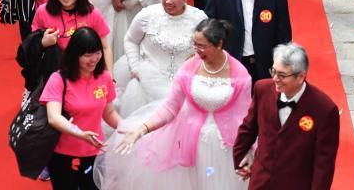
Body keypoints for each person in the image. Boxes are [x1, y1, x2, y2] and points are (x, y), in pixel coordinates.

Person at [95, 18, 252, 190]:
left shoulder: (240, 74)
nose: (197, 51)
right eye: (195, 44)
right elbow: (171, 107)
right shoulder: (188, 68)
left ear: (219, 44)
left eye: (203, 46)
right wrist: (142, 130)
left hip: (224, 146)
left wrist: (249, 150)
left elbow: (245, 117)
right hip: (187, 139)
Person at [233, 43, 340, 190]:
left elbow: (324, 163)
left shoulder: (324, 109)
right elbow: (248, 128)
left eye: (282, 75)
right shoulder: (262, 89)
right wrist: (240, 159)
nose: (275, 78)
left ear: (301, 76)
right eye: (274, 71)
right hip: (260, 182)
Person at [41, 27, 122, 190]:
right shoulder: (58, 79)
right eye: (87, 55)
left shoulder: (105, 77)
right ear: (74, 55)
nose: (94, 59)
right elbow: (53, 117)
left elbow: (109, 113)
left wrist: (130, 128)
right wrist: (80, 133)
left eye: (97, 52)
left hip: (95, 153)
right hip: (63, 155)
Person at [113, 0, 206, 115]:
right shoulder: (147, 15)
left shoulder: (199, 18)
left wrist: (197, 60)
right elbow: (131, 40)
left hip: (185, 84)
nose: (168, 1)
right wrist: (135, 67)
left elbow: (208, 47)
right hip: (148, 83)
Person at [204, 0, 291, 82]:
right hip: (231, 66)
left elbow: (284, 36)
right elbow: (209, 35)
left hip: (266, 66)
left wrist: (280, 66)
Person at [32, 0, 113, 70]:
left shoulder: (93, 14)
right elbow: (31, 45)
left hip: (86, 74)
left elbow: (105, 47)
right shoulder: (43, 12)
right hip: (53, 74)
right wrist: (43, 43)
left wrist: (110, 76)